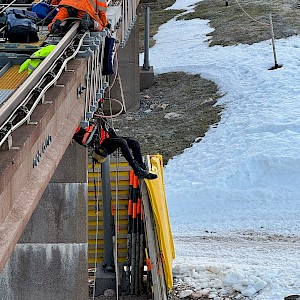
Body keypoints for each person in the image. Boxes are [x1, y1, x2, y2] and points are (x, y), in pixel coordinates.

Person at [73, 120, 157, 180]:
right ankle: (136, 169)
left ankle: (141, 167)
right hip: (103, 144)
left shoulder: (86, 119)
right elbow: (84, 140)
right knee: (122, 142)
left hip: (108, 137)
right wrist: (90, 129)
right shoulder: (75, 130)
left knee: (134, 143)